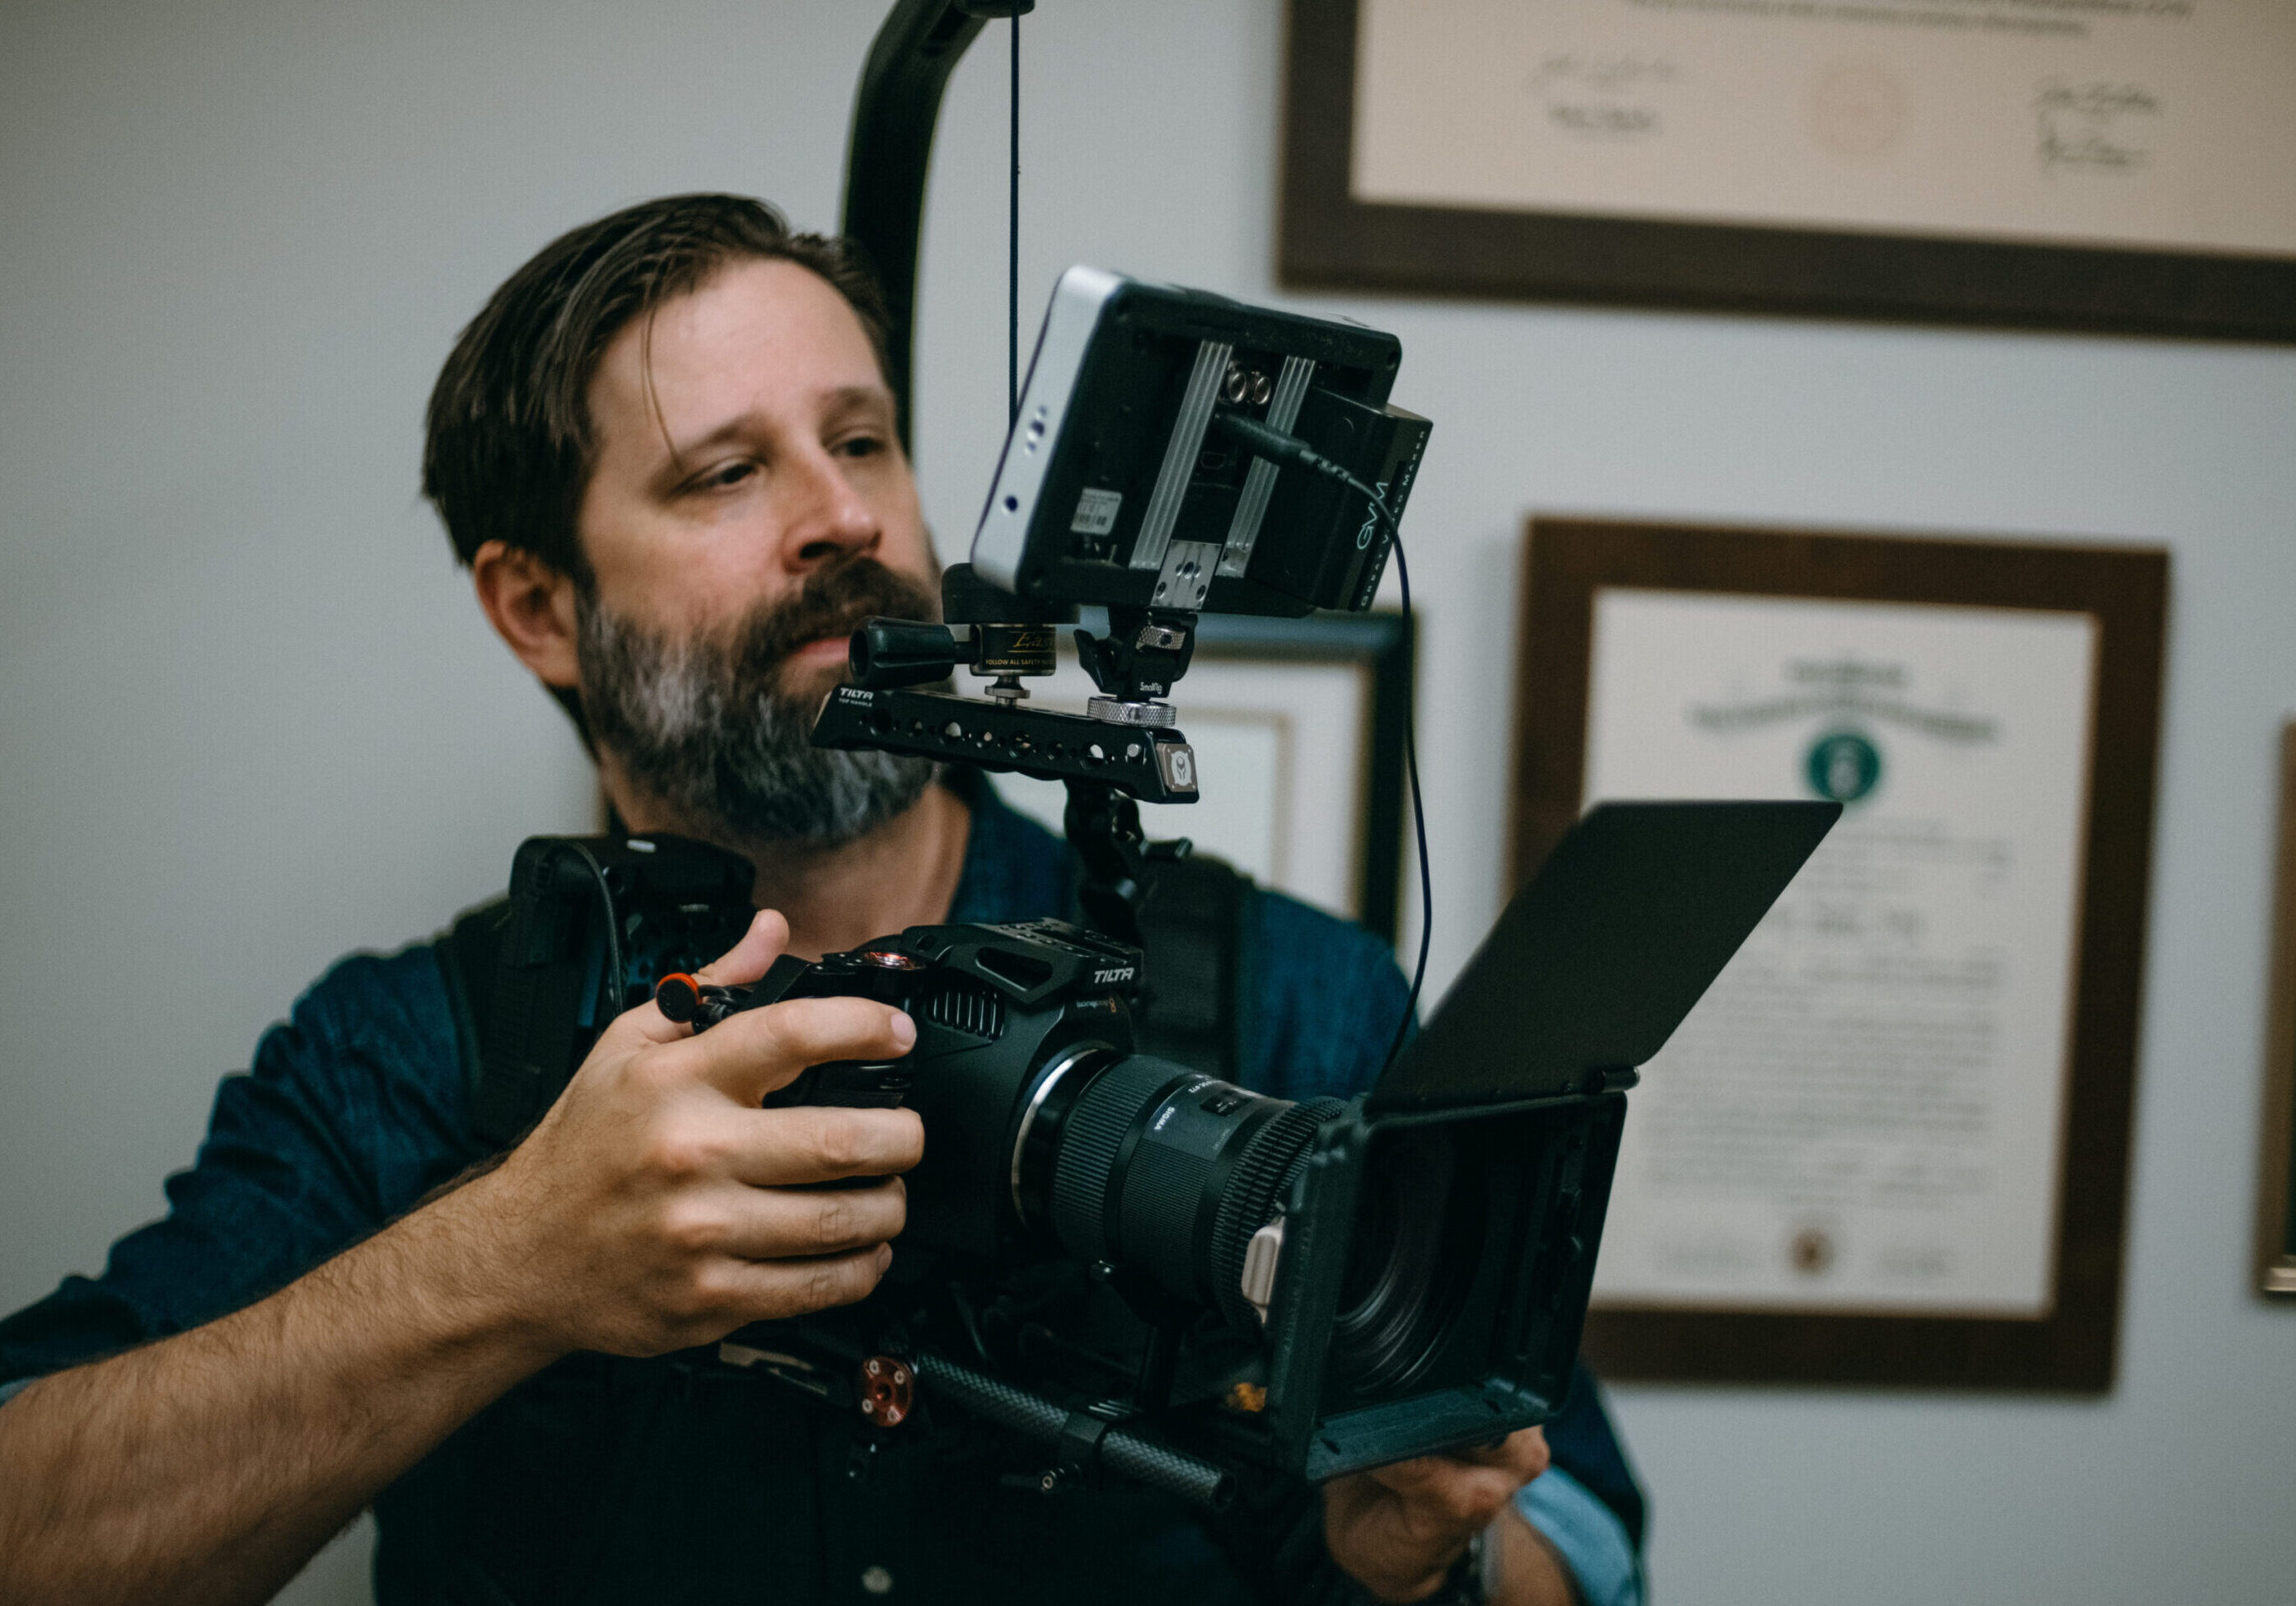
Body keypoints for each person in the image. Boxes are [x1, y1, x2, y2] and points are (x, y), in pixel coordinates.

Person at [0, 194, 1644, 1606]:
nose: (842, 515)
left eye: (861, 441)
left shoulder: (1297, 1002)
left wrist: (1432, 1561)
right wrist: (500, 1268)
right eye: (724, 474)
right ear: (536, 607)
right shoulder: (414, 1054)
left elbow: (1574, 1527)